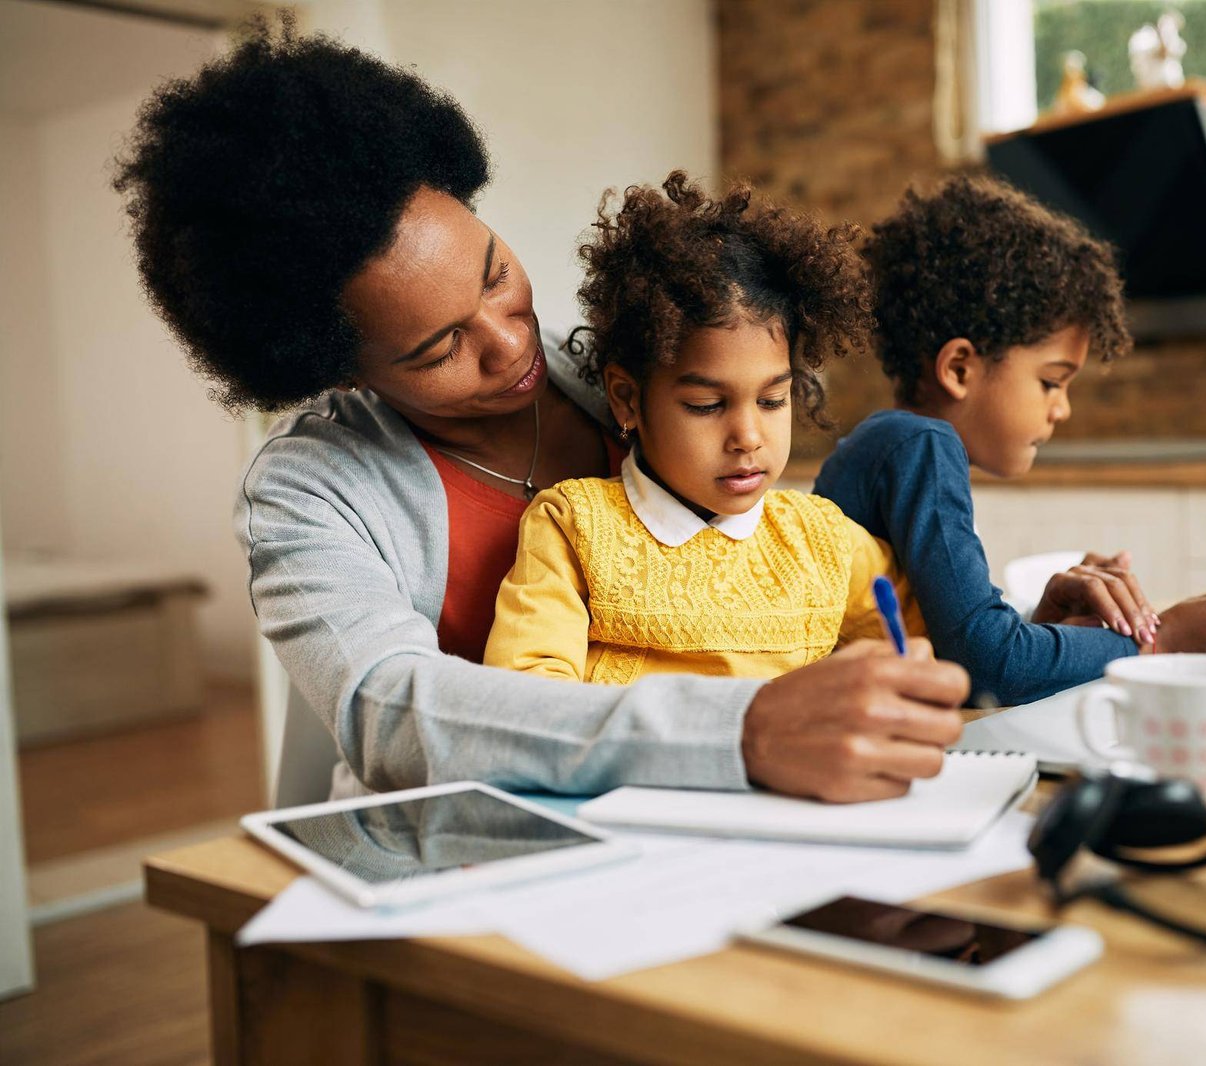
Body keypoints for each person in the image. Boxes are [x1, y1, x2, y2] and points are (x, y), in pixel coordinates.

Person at [112, 17, 966, 804]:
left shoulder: (628, 367)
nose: (512, 341)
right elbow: (393, 712)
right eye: (440, 347)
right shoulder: (309, 490)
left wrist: (1009, 632)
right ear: (340, 373)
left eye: (494, 274)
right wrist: (737, 730)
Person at [814, 175, 1206, 707]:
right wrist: (1158, 641)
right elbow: (993, 664)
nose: (1063, 407)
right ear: (959, 367)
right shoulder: (921, 446)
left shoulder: (893, 445)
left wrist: (1046, 624)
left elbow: (955, 656)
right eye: (1051, 381)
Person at [484, 172, 920, 683]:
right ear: (628, 398)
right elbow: (528, 696)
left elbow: (922, 636)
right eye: (708, 405)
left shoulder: (822, 539)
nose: (748, 437)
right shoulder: (574, 528)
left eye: (772, 399)